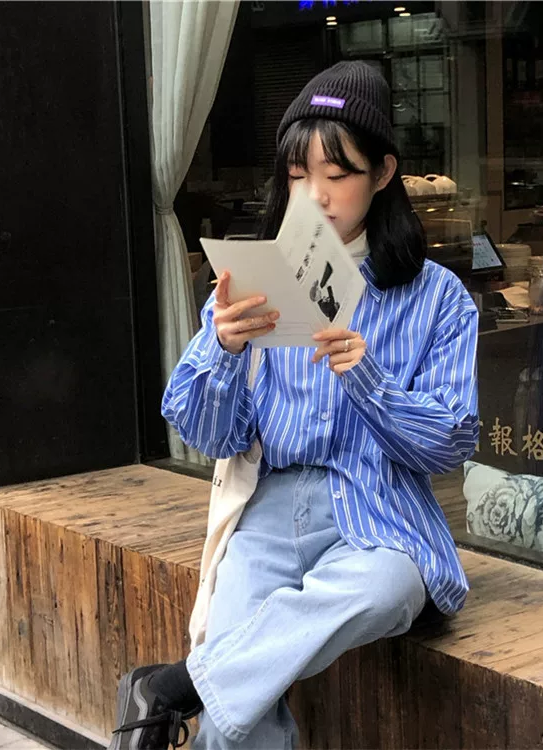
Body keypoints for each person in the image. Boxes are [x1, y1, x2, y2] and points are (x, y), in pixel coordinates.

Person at [109, 61, 479, 750]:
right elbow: (206, 432)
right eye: (298, 175)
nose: (316, 195)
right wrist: (223, 348)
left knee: (389, 589)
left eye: (337, 174)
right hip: (271, 507)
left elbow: (451, 443)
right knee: (237, 719)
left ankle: (177, 685)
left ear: (383, 173)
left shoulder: (437, 297)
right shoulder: (256, 279)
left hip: (377, 509)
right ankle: (197, 687)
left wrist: (367, 380)